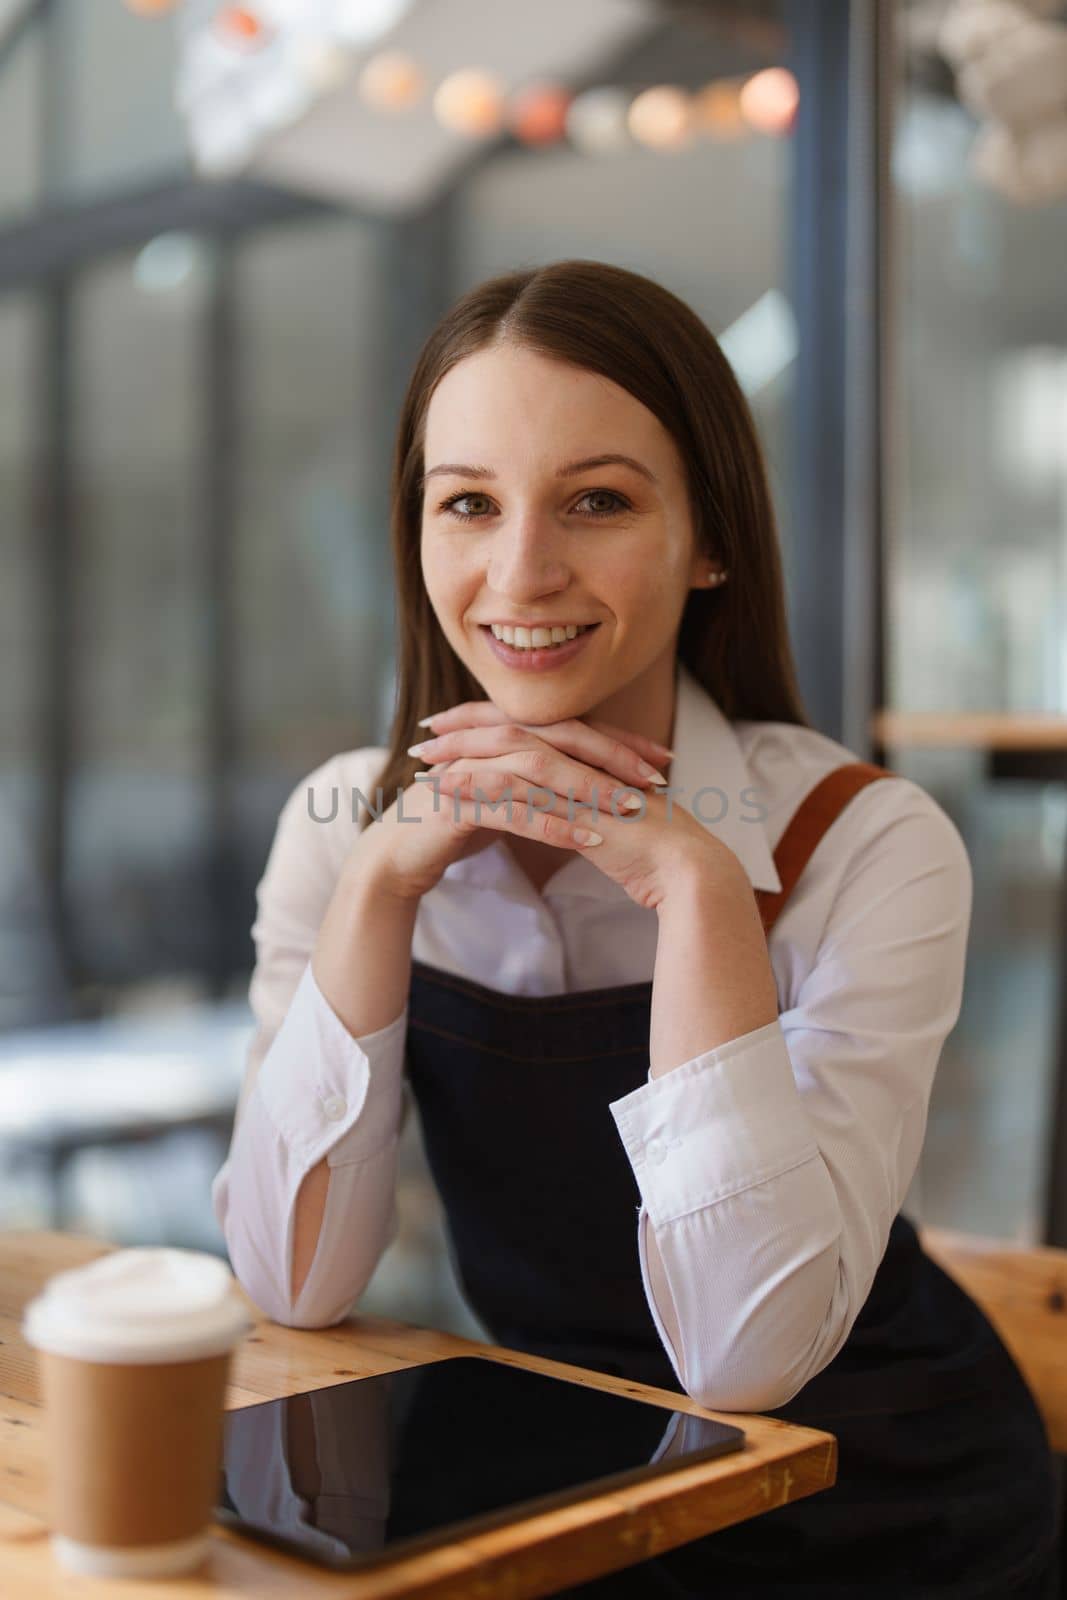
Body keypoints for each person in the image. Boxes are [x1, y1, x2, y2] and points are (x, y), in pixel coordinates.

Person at [211, 260, 1061, 1596]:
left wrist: (700, 889)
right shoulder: (342, 837)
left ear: (709, 536)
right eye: (469, 505)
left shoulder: (866, 843)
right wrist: (378, 891)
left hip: (902, 1512)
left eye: (596, 501)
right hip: (580, 1489)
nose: (521, 571)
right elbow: (294, 1281)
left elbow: (744, 1358)